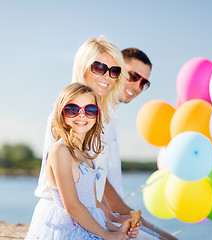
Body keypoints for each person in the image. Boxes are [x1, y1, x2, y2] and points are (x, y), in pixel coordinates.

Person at [25, 36, 129, 239]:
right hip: (64, 223)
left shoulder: (102, 119)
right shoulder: (64, 120)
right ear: (82, 67)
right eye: (99, 68)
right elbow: (70, 202)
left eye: (114, 71)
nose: (107, 76)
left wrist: (113, 222)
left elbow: (92, 193)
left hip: (92, 220)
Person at [36, 83, 139, 240]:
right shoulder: (60, 151)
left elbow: (93, 205)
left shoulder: (85, 156)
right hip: (70, 233)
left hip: (89, 229)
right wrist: (106, 234)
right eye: (73, 109)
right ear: (61, 113)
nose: (82, 115)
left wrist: (116, 228)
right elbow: (72, 206)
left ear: (96, 116)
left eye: (90, 110)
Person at [102, 48, 178, 240]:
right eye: (133, 76)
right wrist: (158, 232)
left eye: (144, 82)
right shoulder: (94, 114)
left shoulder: (111, 114)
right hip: (103, 221)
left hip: (114, 218)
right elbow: (104, 191)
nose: (137, 86)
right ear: (115, 70)